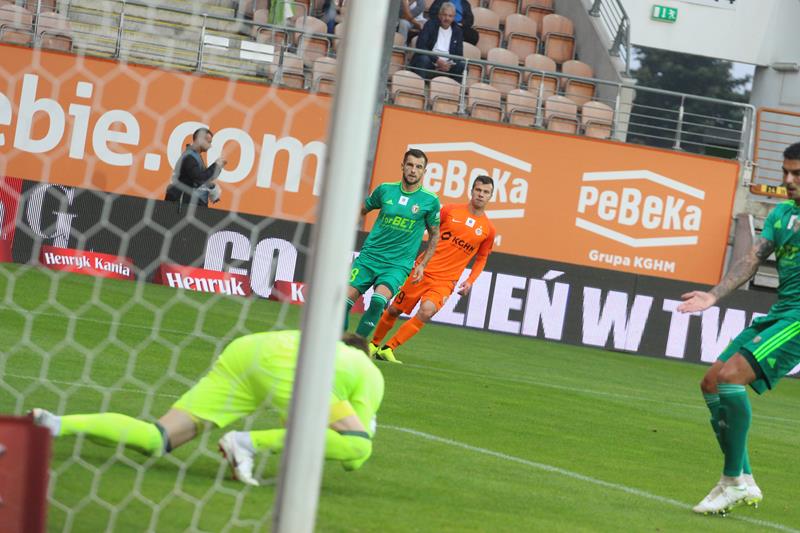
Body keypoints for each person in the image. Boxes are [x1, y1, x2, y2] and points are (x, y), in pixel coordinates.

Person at [32, 331, 384, 486]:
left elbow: (293, 430)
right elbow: (354, 457)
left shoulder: (325, 359)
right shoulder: (367, 371)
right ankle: (243, 444)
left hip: (246, 351)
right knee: (359, 444)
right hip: (287, 366)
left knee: (157, 438)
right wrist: (365, 427)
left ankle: (55, 423)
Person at [677, 141, 800, 515]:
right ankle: (743, 478)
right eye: (785, 172)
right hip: (781, 312)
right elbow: (752, 259)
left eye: (796, 174)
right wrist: (713, 296)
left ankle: (731, 480)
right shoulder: (782, 214)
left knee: (731, 376)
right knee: (712, 382)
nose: (788, 180)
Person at [371, 176, 496, 363]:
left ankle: (389, 348)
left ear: (490, 196)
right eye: (478, 190)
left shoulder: (488, 229)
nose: (481, 194)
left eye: (486, 192)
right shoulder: (450, 210)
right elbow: (428, 230)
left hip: (445, 281)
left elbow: (482, 258)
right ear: (471, 191)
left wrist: (470, 280)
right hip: (423, 271)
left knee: (427, 311)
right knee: (395, 309)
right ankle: (373, 344)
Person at [345, 148, 441, 342]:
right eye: (410, 165)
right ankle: (338, 341)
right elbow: (363, 209)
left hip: (397, 265)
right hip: (369, 258)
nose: (413, 170)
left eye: (419, 167)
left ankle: (355, 344)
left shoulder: (430, 201)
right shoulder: (385, 190)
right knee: (342, 303)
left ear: (424, 172)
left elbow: (434, 235)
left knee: (378, 301)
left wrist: (422, 264)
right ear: (402, 166)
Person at [164, 127, 227, 208]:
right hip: (183, 206)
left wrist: (218, 167)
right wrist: (216, 165)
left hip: (191, 204)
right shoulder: (189, 157)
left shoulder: (195, 156)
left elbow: (205, 178)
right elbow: (199, 179)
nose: (210, 146)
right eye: (208, 142)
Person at [409, 2, 465, 81]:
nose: (447, 18)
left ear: (453, 18)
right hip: (430, 60)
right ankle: (419, 86)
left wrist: (448, 64)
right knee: (422, 59)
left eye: (450, 16)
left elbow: (459, 54)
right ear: (439, 15)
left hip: (448, 64)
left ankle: (455, 89)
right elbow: (421, 45)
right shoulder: (430, 25)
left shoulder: (458, 31)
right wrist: (437, 60)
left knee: (462, 66)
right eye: (444, 15)